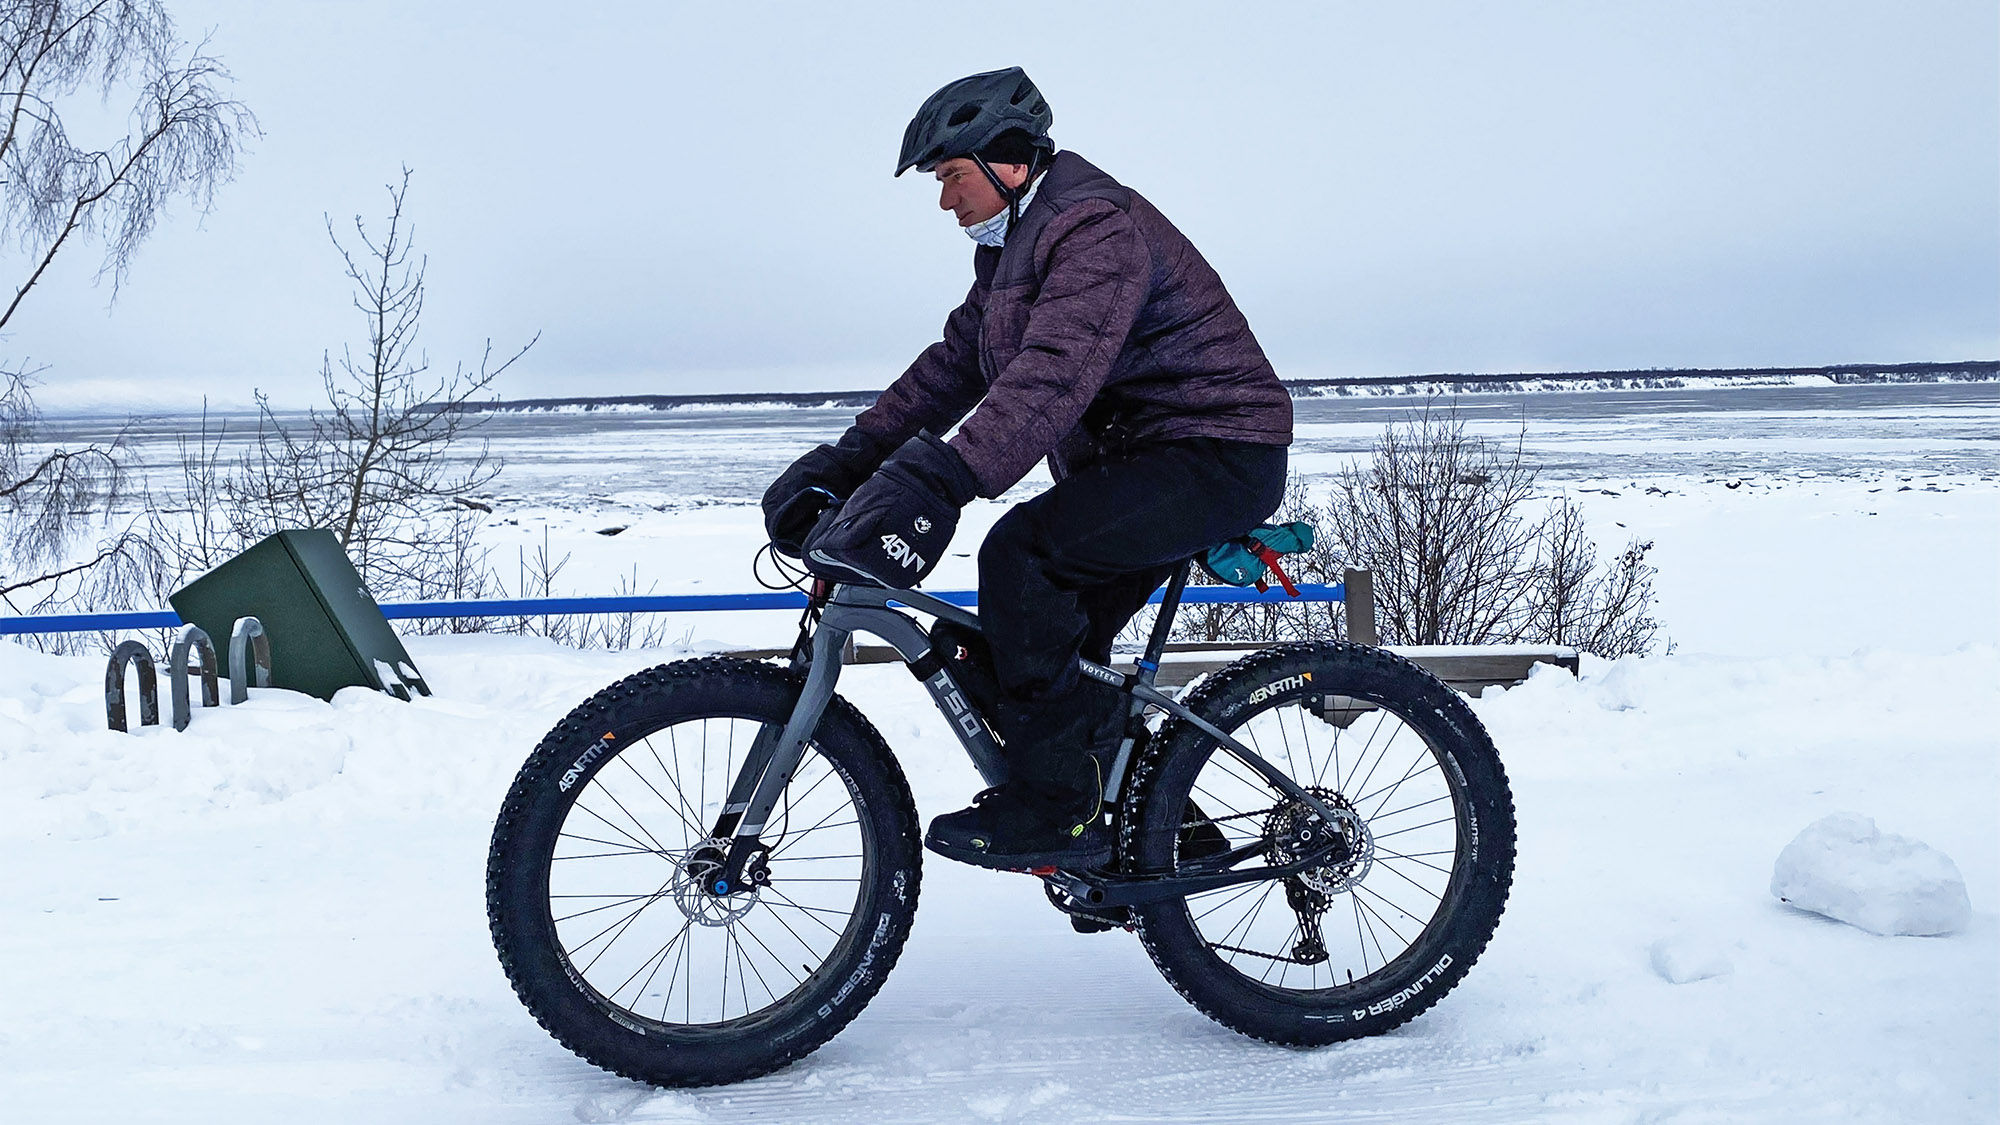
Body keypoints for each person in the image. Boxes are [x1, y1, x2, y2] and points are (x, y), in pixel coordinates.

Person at [762, 67, 1293, 870]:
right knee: (1000, 652)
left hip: (1214, 450)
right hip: (1140, 460)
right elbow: (949, 370)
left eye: (950, 177)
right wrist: (847, 461)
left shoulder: (1093, 230)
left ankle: (1060, 811)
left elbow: (1051, 375)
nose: (945, 202)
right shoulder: (1013, 254)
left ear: (1008, 160)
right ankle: (1164, 842)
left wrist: (942, 478)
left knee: (1023, 554)